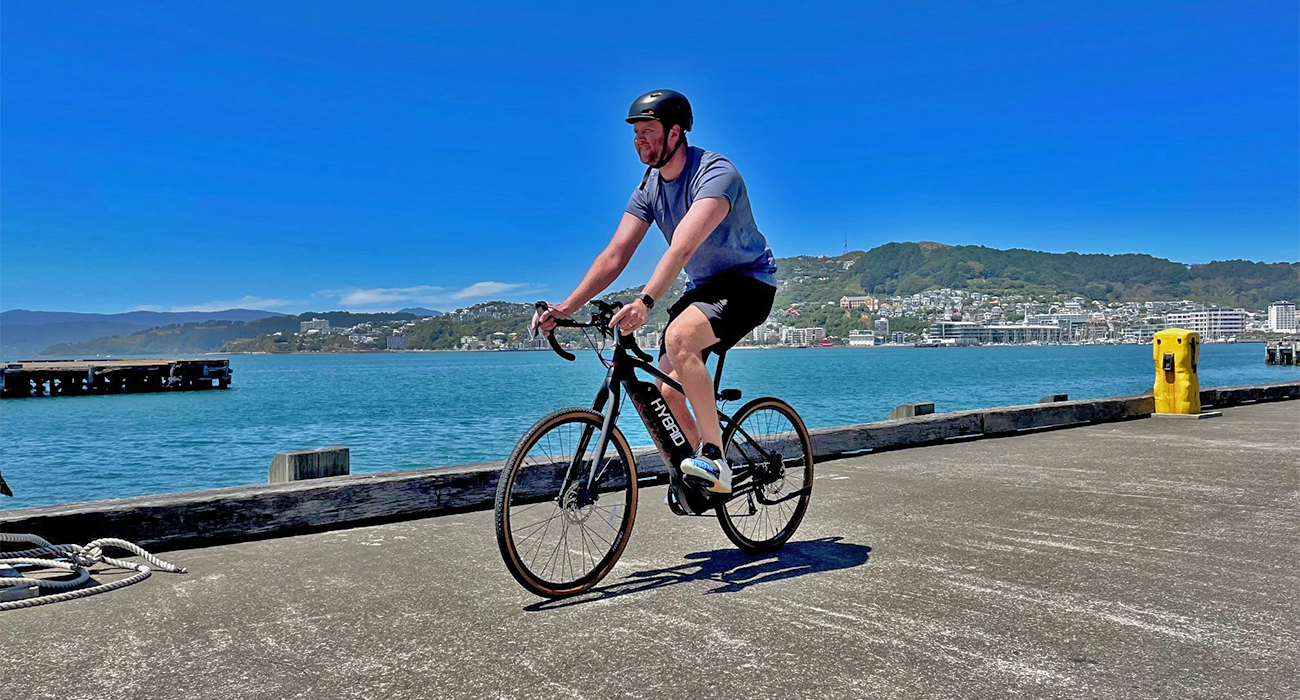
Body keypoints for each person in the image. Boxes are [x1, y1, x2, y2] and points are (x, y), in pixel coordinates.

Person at [535, 89, 777, 494]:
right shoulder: (648, 188)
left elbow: (682, 246)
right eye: (635, 133)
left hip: (748, 284)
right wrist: (564, 307)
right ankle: (699, 472)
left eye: (648, 131)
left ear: (676, 133)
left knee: (680, 337)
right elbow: (615, 254)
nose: (639, 140)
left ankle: (715, 460)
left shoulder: (717, 174)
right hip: (703, 288)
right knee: (665, 389)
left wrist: (646, 302)